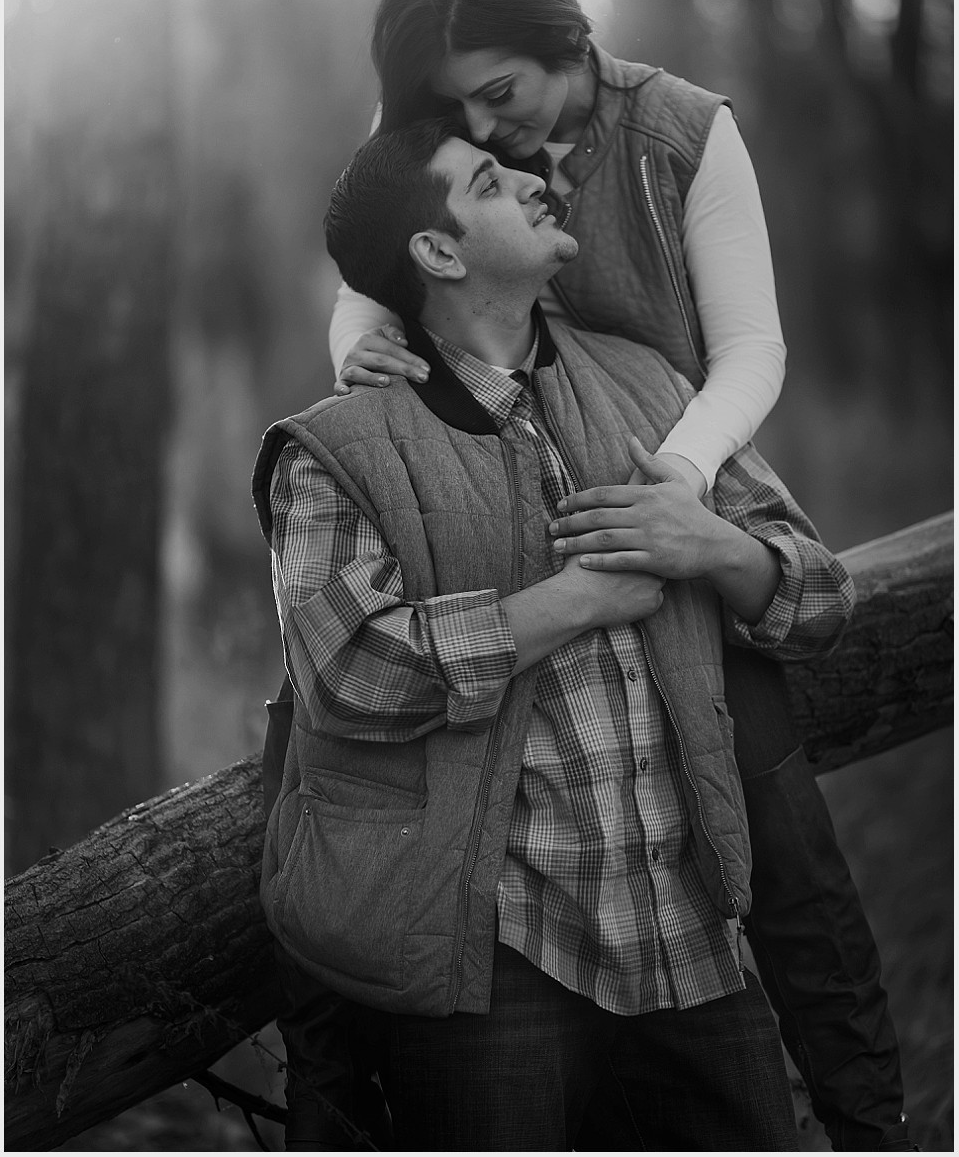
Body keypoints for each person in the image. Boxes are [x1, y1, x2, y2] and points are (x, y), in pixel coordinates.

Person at [325, 0, 912, 1152]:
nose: (489, 131)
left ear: (567, 41)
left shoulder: (680, 136)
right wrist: (356, 352)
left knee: (778, 841)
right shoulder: (441, 154)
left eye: (501, 94)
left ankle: (872, 1121)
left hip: (669, 474)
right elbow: (373, 259)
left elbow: (752, 347)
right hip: (492, 502)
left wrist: (680, 493)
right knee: (387, 831)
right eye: (458, 110)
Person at [253, 115, 859, 1151]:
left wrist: (705, 545)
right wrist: (577, 599)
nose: (536, 182)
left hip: (694, 945)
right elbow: (346, 671)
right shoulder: (336, 450)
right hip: (489, 963)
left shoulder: (655, 388)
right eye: (492, 181)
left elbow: (821, 599)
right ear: (438, 252)